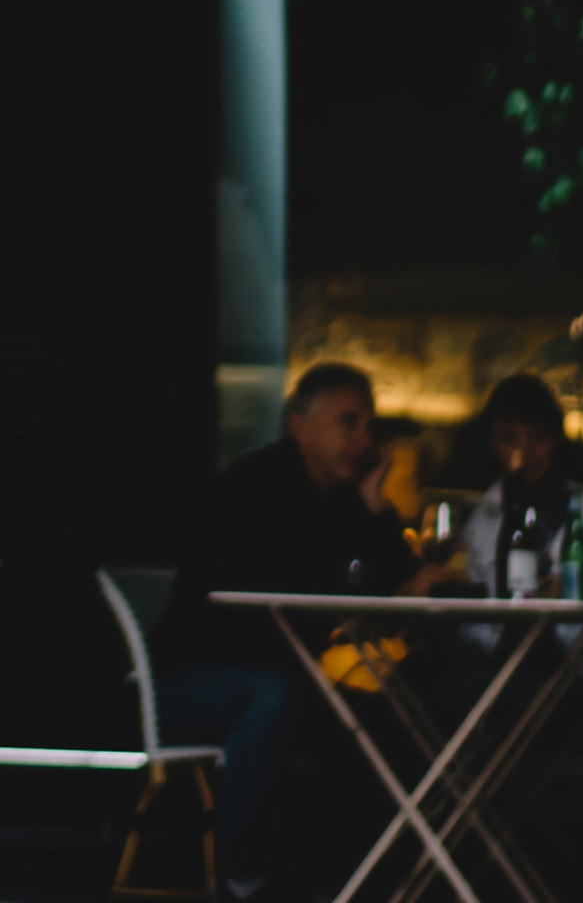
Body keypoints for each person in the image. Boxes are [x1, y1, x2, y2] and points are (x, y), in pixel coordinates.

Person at [154, 363, 420, 901]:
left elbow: (394, 580)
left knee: (387, 715)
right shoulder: (255, 485)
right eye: (350, 423)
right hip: (196, 675)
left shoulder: (345, 497)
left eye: (369, 426)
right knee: (274, 697)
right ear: (300, 424)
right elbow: (267, 594)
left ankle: (375, 882)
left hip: (293, 673)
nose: (365, 440)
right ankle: (246, 881)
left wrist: (375, 501)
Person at [454, 373, 583, 680]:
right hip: (506, 672)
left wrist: (577, 592)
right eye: (511, 439)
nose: (526, 452)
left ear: (557, 438)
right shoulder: (485, 518)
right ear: (492, 443)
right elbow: (479, 625)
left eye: (539, 437)